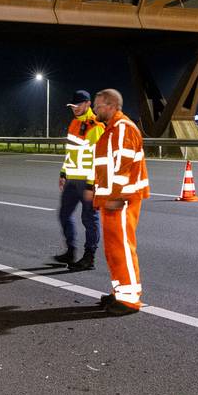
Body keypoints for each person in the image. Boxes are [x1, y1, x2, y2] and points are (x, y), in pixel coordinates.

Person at [85, 89, 149, 316]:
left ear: (111, 106)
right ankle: (120, 292)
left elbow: (122, 167)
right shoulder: (111, 129)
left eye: (98, 105)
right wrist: (98, 192)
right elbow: (107, 167)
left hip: (121, 201)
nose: (94, 110)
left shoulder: (122, 129)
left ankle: (130, 300)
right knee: (113, 249)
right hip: (112, 199)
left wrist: (114, 196)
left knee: (122, 248)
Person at [52, 90, 104, 270]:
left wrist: (91, 184)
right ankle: (71, 251)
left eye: (78, 105)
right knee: (64, 215)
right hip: (72, 180)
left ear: (88, 104)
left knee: (89, 219)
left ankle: (89, 257)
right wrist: (63, 173)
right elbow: (71, 153)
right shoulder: (74, 123)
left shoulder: (95, 126)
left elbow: (98, 159)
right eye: (72, 106)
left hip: (88, 182)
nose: (74, 108)